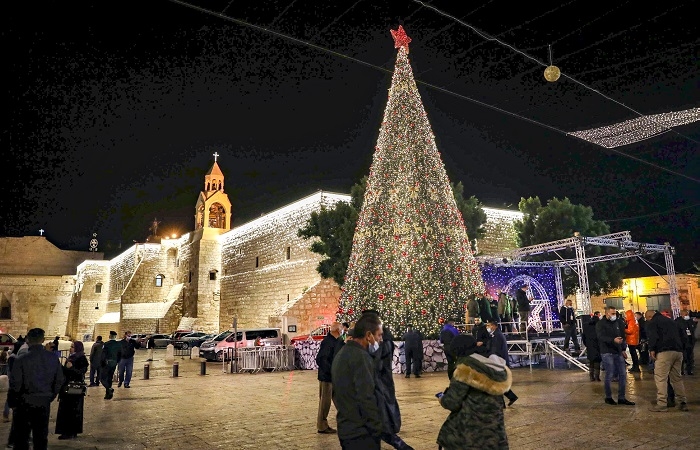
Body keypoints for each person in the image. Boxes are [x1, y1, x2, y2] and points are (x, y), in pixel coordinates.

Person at [436, 334, 511, 450]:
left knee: (449, 433)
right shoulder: (491, 363)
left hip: (472, 427)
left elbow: (452, 402)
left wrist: (442, 398)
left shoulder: (465, 368)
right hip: (494, 426)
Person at [331, 314, 384, 450]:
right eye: (378, 335)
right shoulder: (361, 357)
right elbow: (366, 397)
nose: (380, 340)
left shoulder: (343, 353)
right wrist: (377, 428)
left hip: (346, 428)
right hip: (361, 434)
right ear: (368, 335)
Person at [362, 310, 413, 450]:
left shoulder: (383, 341)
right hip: (380, 384)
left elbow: (378, 365)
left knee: (382, 419)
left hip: (380, 383)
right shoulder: (379, 338)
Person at [8, 328, 64, 450]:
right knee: (41, 437)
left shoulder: (21, 360)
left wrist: (13, 402)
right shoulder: (52, 358)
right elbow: (59, 380)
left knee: (22, 438)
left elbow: (15, 384)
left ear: (28, 339)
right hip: (43, 401)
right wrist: (51, 395)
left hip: (24, 402)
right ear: (43, 340)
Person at [645, 309, 688, 411]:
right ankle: (683, 402)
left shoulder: (653, 322)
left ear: (650, 317)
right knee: (677, 378)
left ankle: (662, 403)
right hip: (678, 352)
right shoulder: (671, 321)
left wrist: (652, 350)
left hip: (664, 352)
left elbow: (653, 337)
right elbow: (683, 336)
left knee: (661, 378)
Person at [595, 306, 635, 406]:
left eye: (615, 313)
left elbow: (622, 336)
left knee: (622, 374)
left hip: (618, 352)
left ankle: (621, 397)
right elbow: (600, 337)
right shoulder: (601, 324)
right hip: (607, 352)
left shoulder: (618, 322)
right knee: (610, 374)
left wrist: (622, 349)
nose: (614, 315)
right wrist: (613, 340)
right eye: (612, 313)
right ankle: (608, 397)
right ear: (607, 313)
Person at [55, 340, 88, 440]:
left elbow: (80, 373)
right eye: (71, 346)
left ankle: (71, 431)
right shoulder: (71, 357)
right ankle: (66, 431)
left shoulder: (82, 359)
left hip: (74, 389)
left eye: (73, 346)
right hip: (66, 388)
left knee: (73, 411)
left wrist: (71, 367)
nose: (70, 348)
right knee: (66, 410)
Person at [316, 322, 342, 434]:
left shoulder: (336, 341)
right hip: (327, 378)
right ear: (337, 330)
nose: (342, 331)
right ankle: (322, 425)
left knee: (340, 400)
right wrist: (331, 371)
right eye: (341, 329)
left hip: (334, 377)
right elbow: (321, 359)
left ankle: (348, 421)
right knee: (325, 403)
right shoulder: (328, 342)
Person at [486, 320, 518, 407]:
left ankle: (502, 402)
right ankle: (511, 397)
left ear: (494, 326)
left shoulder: (497, 336)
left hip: (499, 362)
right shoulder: (497, 335)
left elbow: (495, 350)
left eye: (489, 325)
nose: (488, 327)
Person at [100, 331, 121, 400]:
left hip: (107, 363)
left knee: (102, 378)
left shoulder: (106, 344)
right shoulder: (118, 344)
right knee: (109, 378)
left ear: (110, 336)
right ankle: (108, 394)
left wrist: (102, 363)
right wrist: (117, 361)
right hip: (114, 363)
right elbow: (120, 354)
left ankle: (109, 389)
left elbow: (103, 355)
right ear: (115, 337)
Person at [675, 309, 697, 375]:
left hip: (690, 341)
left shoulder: (690, 321)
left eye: (687, 314)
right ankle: (681, 370)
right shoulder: (677, 322)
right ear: (681, 314)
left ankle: (689, 370)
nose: (687, 316)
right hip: (682, 342)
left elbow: (693, 330)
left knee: (690, 356)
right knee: (682, 357)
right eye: (686, 314)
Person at [581, 312, 602, 381]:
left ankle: (591, 376)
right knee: (597, 362)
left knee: (591, 362)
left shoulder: (586, 326)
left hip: (590, 346)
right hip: (597, 345)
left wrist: (587, 344)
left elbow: (583, 337)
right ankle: (597, 377)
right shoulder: (599, 326)